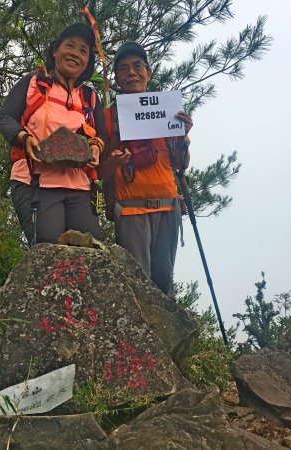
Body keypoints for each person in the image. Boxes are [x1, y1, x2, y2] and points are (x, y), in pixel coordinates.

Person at [0, 23, 106, 245]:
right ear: (55, 50)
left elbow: (101, 133)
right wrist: (23, 137)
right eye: (70, 46)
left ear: (88, 62)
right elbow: (4, 117)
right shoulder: (33, 84)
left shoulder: (90, 98)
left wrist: (95, 145)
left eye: (83, 50)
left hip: (80, 186)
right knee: (48, 249)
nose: (75, 53)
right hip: (36, 180)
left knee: (90, 250)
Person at [100, 42, 193, 299]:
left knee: (164, 282)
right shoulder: (110, 117)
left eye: (138, 66)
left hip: (167, 206)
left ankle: (168, 339)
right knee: (135, 287)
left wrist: (183, 136)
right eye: (124, 68)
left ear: (148, 73)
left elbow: (181, 164)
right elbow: (100, 169)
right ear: (117, 78)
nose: (132, 72)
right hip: (131, 209)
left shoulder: (167, 112)